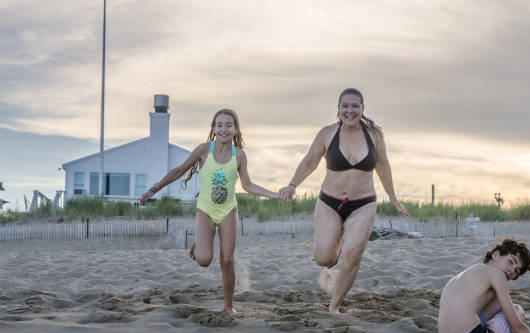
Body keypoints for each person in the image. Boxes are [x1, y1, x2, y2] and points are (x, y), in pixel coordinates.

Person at [279, 88, 408, 314]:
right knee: (324, 258)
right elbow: (310, 161)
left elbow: (383, 166)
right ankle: (336, 248)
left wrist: (393, 198)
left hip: (363, 203)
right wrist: (292, 185)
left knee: (353, 255)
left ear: (362, 109)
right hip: (330, 203)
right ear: (338, 110)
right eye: (345, 106)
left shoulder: (374, 135)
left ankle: (334, 305)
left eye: (355, 106)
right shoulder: (327, 133)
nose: (350, 110)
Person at [141, 109, 279, 314]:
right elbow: (178, 171)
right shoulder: (204, 150)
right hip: (205, 210)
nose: (224, 129)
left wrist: (274, 195)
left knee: (228, 260)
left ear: (236, 129)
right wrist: (154, 189)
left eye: (228, 125)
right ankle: (200, 244)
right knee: (204, 260)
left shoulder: (239, 155)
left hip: (228, 211)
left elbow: (248, 185)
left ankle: (228, 307)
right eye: (220, 125)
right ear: (213, 129)